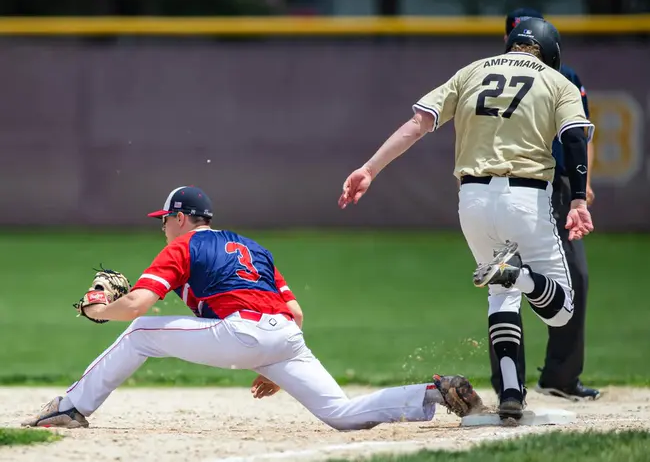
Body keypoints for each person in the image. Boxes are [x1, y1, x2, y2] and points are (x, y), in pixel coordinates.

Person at [22, 185, 484, 429]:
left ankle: (70, 406)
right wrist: (272, 361)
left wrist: (97, 311)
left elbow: (140, 305)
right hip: (284, 335)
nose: (163, 228)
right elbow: (296, 312)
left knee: (141, 332)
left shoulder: (182, 246)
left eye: (165, 220)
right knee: (342, 415)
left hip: (243, 333)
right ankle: (433, 391)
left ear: (181, 218)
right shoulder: (251, 247)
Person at [338, 18, 594, 421]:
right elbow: (576, 138)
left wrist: (370, 169)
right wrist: (578, 199)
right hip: (526, 197)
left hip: (472, 200)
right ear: (551, 50)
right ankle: (519, 275)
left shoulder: (473, 70)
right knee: (560, 310)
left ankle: (511, 393)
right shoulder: (556, 80)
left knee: (499, 298)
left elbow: (418, 124)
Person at [485, 8, 600, 403]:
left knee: (575, 279)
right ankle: (508, 384)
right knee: (506, 284)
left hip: (560, 186)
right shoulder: (490, 78)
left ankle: (560, 376)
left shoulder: (564, 78)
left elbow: (580, 133)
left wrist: (585, 186)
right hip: (516, 186)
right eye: (518, 35)